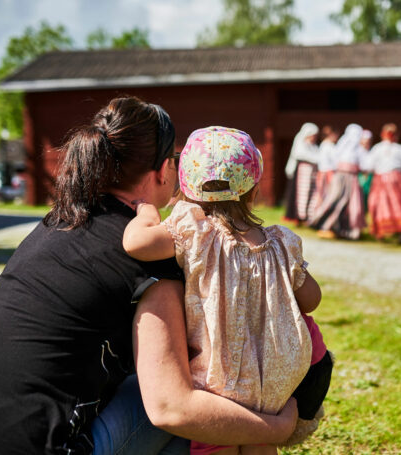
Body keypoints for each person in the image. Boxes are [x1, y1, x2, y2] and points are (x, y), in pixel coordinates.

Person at [0, 98, 299, 454]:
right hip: (33, 447)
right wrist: (276, 427)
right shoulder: (153, 258)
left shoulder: (59, 221)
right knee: (204, 394)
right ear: (161, 172)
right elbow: (171, 408)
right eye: (174, 159)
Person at [123, 126, 333, 455]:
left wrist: (145, 211)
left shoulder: (195, 231)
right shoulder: (279, 242)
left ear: (187, 188)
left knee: (216, 446)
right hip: (271, 384)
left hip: (216, 386)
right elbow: (312, 299)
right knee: (261, 446)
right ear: (253, 190)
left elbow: (136, 243)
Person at [309, 123, 366, 240]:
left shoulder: (347, 146)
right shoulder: (349, 146)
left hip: (345, 177)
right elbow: (364, 164)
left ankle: (340, 229)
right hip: (345, 177)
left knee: (345, 203)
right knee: (341, 202)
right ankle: (327, 225)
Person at [365, 123, 401, 243]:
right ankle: (400, 234)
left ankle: (381, 232)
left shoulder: (378, 148)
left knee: (382, 204)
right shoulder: (399, 149)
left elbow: (369, 165)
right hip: (395, 179)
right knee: (397, 204)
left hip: (381, 179)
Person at [283, 123, 319, 225]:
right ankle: (295, 216)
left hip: (310, 175)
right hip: (299, 174)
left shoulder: (313, 146)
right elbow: (299, 154)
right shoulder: (300, 142)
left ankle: (305, 216)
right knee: (296, 195)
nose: (314, 138)